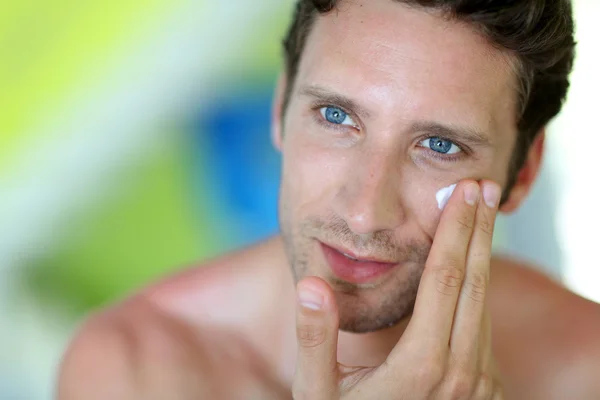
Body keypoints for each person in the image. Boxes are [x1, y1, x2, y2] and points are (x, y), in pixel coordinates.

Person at [57, 0, 600, 399]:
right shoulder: (131, 369)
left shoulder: (585, 369)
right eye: (337, 117)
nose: (364, 212)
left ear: (522, 172)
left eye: (439, 145)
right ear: (280, 109)